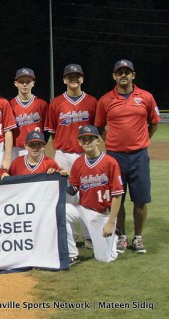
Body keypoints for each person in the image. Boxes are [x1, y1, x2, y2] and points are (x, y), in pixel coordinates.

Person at [95, 59, 160, 254]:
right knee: (118, 198)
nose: (123, 75)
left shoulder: (146, 97)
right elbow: (99, 126)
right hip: (115, 156)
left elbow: (154, 122)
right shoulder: (106, 100)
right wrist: (112, 141)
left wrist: (142, 140)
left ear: (133, 75)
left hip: (139, 155)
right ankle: (122, 236)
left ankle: (138, 238)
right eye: (119, 72)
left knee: (140, 198)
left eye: (127, 72)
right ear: (114, 76)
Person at [44, 63, 97, 249]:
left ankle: (90, 236)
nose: (73, 79)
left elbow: (97, 131)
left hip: (86, 154)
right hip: (63, 154)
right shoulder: (56, 103)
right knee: (66, 196)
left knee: (87, 195)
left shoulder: (91, 102)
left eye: (77, 76)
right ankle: (72, 236)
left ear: (82, 78)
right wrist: (62, 148)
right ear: (64, 79)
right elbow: (51, 132)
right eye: (70, 76)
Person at [65, 125, 124, 265]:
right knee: (60, 212)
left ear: (98, 140)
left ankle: (113, 237)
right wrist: (59, 176)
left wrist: (110, 223)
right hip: (83, 209)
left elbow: (117, 195)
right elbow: (72, 190)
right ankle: (72, 254)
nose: (87, 142)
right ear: (79, 142)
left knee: (103, 259)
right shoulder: (78, 163)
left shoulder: (110, 162)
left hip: (102, 214)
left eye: (90, 138)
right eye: (83, 139)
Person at [10, 68, 48, 160]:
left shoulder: (42, 104)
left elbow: (46, 130)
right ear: (16, 84)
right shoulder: (10, 105)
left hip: (36, 147)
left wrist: (42, 143)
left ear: (33, 83)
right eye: (21, 81)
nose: (24, 84)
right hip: (17, 149)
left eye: (28, 81)